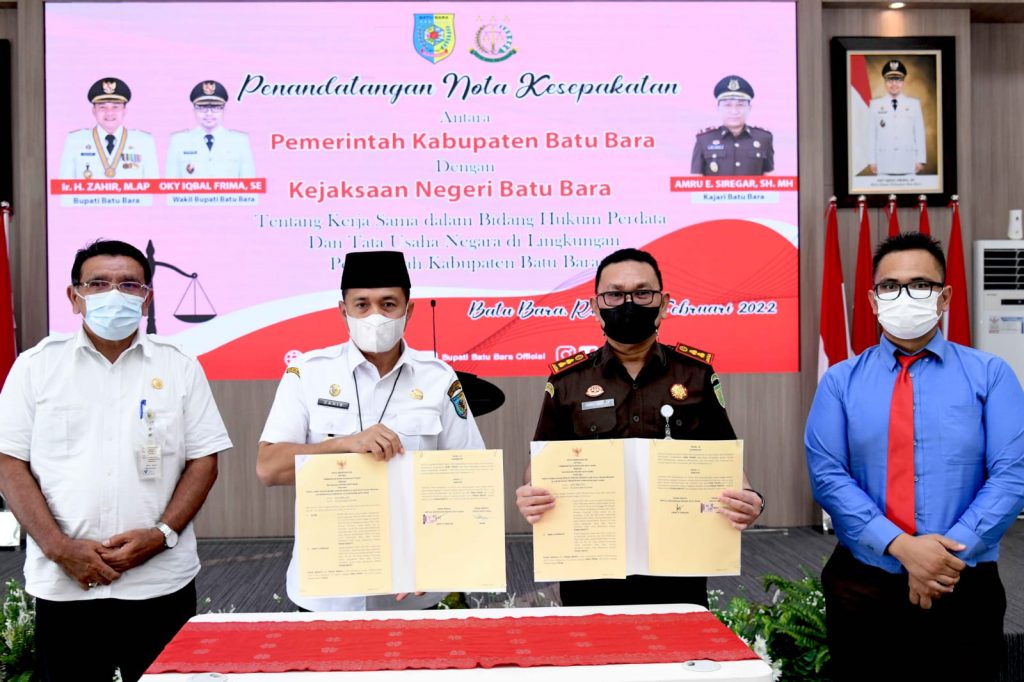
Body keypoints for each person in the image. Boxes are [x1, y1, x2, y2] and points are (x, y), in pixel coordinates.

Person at [0, 239, 232, 682]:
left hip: (159, 580)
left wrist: (161, 535)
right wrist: (59, 548)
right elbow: (9, 463)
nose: (114, 294)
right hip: (66, 583)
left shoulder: (180, 366)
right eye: (98, 284)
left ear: (146, 298)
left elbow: (204, 460)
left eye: (128, 285)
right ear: (74, 297)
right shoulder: (35, 367)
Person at [805, 232, 1024, 681]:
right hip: (864, 582)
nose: (904, 296)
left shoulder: (991, 375)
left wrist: (942, 558)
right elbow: (828, 476)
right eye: (890, 286)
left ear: (944, 297)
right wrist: (903, 547)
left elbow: (1012, 474)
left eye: (920, 285)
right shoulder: (840, 382)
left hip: (962, 579)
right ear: (873, 300)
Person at [515, 248, 765, 606]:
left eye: (642, 293)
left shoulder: (695, 375)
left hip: (678, 560)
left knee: (680, 640)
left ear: (664, 304)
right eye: (614, 294)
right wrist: (531, 494)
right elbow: (541, 465)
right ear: (595, 306)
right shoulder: (568, 381)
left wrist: (751, 499)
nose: (628, 303)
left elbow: (724, 458)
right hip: (592, 561)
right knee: (594, 641)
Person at [257, 250, 485, 612]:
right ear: (343, 311)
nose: (375, 316)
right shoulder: (308, 373)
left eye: (388, 304)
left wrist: (440, 555)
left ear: (409, 310)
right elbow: (269, 468)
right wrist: (345, 446)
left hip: (414, 587)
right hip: (328, 591)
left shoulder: (439, 378)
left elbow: (469, 478)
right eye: (361, 305)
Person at [58, 78, 159, 180]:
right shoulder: (75, 140)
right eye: (102, 107)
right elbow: (64, 185)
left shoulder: (144, 141)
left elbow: (153, 185)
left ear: (125, 110)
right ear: (94, 111)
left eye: (115, 107)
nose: (109, 113)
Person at [165, 80, 256, 178]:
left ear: (224, 110)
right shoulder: (178, 141)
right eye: (202, 107)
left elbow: (249, 184)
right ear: (194, 110)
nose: (209, 113)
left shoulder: (240, 141)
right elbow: (171, 183)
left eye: (216, 107)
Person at [691, 75, 774, 176]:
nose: (734, 111)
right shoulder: (704, 139)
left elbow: (770, 179)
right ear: (718, 108)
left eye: (740, 105)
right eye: (727, 105)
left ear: (749, 108)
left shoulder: (764, 138)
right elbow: (696, 180)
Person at [866, 60, 927, 176]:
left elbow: (919, 133)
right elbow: (871, 135)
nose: (894, 84)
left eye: (898, 80)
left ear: (903, 82)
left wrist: (920, 159)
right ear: (885, 82)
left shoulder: (914, 104)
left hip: (908, 162)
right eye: (890, 80)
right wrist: (872, 161)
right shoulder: (875, 105)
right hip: (883, 163)